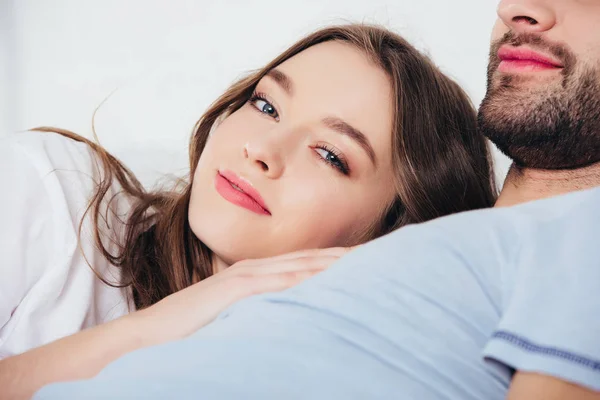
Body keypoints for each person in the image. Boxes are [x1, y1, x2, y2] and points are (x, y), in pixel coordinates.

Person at [27, 0, 600, 399]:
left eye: (331, 155)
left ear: (387, 235)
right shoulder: (58, 194)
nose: (261, 151)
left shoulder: (568, 252)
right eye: (265, 104)